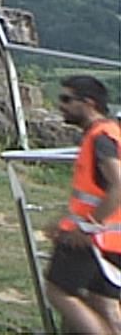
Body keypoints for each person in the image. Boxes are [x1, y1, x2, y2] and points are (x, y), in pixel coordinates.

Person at [45, 76, 121, 335]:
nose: (60, 105)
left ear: (89, 103)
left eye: (67, 99)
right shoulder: (112, 132)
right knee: (103, 303)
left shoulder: (100, 138)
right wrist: (64, 220)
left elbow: (118, 184)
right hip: (111, 239)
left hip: (92, 240)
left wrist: (87, 228)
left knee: (57, 290)